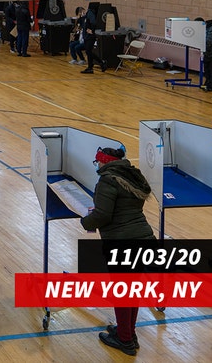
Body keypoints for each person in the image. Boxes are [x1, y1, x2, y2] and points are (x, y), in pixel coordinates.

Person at [80, 147, 154, 356]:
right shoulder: (131, 176)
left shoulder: (107, 180)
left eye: (97, 162)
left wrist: (86, 222)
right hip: (144, 239)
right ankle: (128, 332)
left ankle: (125, 342)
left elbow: (103, 215)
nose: (97, 166)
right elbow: (123, 207)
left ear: (104, 162)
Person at [81, 6, 107, 74]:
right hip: (86, 36)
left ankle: (101, 62)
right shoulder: (85, 16)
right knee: (88, 52)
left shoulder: (90, 13)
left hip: (90, 37)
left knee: (88, 51)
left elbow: (94, 23)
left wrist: (92, 30)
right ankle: (90, 67)